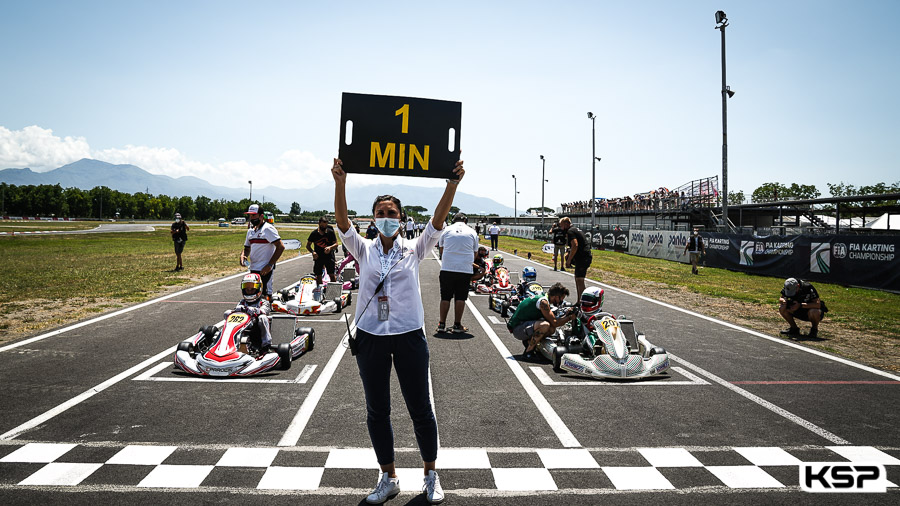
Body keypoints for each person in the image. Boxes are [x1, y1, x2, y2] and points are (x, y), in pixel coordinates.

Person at [332, 157, 464, 505]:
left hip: (409, 336)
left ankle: (430, 474)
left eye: (392, 213)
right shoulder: (363, 249)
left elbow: (437, 223)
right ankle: (388, 477)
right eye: (380, 214)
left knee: (420, 407)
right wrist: (340, 181)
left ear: (401, 219)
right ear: (373, 219)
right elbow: (343, 223)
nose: (386, 219)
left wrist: (452, 184)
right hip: (372, 337)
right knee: (377, 410)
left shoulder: (414, 248)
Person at [507, 282, 576, 357]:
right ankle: (528, 352)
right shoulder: (543, 302)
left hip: (524, 325)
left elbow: (553, 320)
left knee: (551, 329)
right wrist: (569, 318)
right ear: (556, 296)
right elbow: (555, 322)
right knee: (545, 325)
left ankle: (530, 342)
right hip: (518, 328)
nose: (561, 302)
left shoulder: (543, 298)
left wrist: (566, 314)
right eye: (561, 299)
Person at [437, 213, 479, 333]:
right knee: (460, 297)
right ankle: (457, 325)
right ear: (465, 220)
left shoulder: (446, 230)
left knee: (445, 297)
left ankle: (441, 324)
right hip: (464, 269)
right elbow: (475, 253)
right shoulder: (472, 232)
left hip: (447, 268)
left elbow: (441, 249)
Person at [239, 204, 285, 300]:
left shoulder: (268, 229)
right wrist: (243, 255)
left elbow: (280, 247)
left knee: (265, 296)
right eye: (250, 215)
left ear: (261, 216)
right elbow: (247, 248)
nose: (251, 218)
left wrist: (270, 265)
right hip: (253, 268)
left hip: (265, 269)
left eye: (254, 215)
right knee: (253, 296)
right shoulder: (250, 231)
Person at [224, 273, 273, 353]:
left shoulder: (263, 302)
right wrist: (236, 310)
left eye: (252, 289)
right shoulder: (242, 302)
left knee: (262, 318)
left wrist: (254, 310)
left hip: (256, 328)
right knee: (227, 313)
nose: (249, 291)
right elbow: (236, 312)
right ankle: (225, 340)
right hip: (242, 325)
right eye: (247, 289)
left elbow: (264, 311)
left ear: (258, 289)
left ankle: (266, 345)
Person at [560, 217, 592, 299]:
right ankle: (579, 301)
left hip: (583, 257)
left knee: (580, 280)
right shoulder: (575, 229)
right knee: (577, 278)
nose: (561, 228)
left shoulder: (570, 231)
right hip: (583, 257)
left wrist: (569, 260)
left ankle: (582, 302)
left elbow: (575, 245)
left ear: (566, 224)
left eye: (562, 226)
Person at [307, 216, 339, 288]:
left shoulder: (330, 232)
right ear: (319, 223)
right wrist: (313, 252)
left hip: (329, 256)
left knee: (331, 274)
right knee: (318, 274)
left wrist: (330, 248)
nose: (324, 228)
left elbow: (336, 244)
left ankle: (333, 290)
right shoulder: (314, 234)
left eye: (325, 226)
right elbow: (308, 245)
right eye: (322, 226)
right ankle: (320, 289)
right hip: (318, 256)